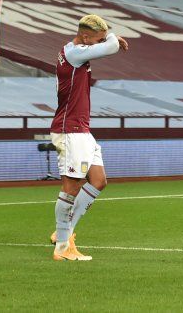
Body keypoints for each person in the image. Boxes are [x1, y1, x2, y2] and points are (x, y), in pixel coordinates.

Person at [49, 14, 129, 261]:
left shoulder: (77, 50)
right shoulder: (74, 53)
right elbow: (112, 46)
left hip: (81, 130)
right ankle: (62, 247)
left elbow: (108, 45)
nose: (100, 43)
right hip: (70, 129)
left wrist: (108, 37)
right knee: (71, 186)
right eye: (98, 39)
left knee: (98, 180)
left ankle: (64, 232)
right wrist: (113, 39)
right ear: (85, 37)